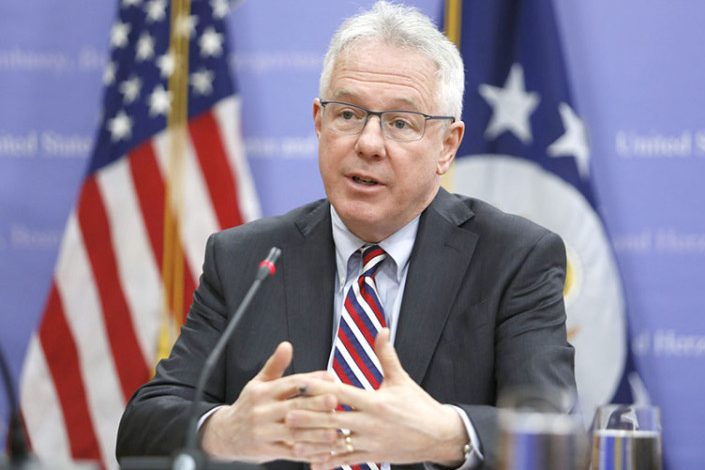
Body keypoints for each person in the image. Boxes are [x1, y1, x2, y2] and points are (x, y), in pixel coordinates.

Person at [116, 2, 576, 469]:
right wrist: (223, 430)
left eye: (400, 123)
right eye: (349, 115)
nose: (368, 144)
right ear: (319, 122)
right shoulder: (245, 259)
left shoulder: (514, 259)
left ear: (447, 146)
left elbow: (552, 433)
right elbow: (141, 427)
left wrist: (448, 434)